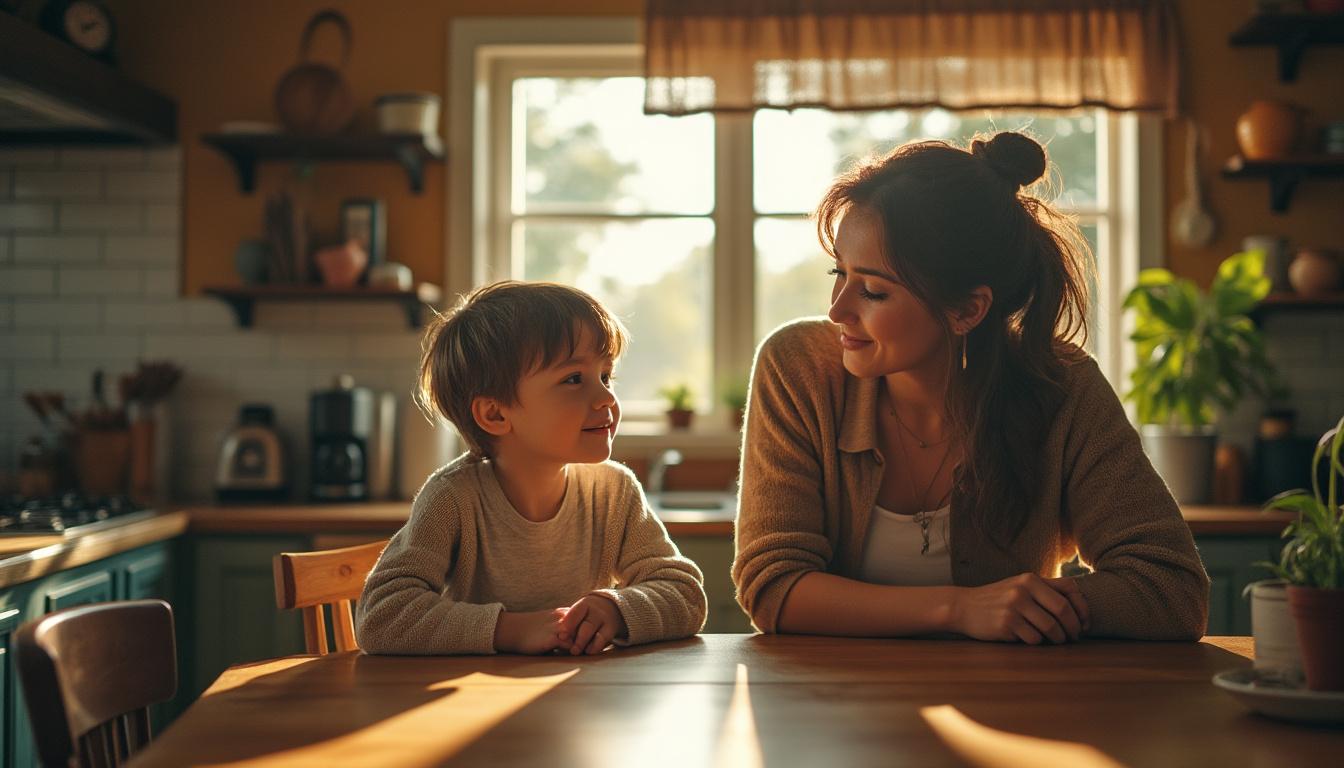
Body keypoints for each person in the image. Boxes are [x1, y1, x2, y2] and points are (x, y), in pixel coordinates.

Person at [732, 132, 1209, 644]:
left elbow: (1172, 589)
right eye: (839, 272)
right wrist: (960, 609)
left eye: (873, 290)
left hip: (1008, 706)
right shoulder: (797, 369)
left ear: (966, 310)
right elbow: (772, 585)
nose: (837, 309)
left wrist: (1028, 606)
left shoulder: (1063, 388)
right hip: (831, 712)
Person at [357, 281, 706, 655]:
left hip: (583, 699)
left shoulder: (613, 491)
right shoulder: (452, 497)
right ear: (495, 414)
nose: (607, 398)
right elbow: (380, 616)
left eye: (606, 376)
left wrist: (618, 610)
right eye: (574, 379)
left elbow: (685, 594)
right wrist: (509, 630)